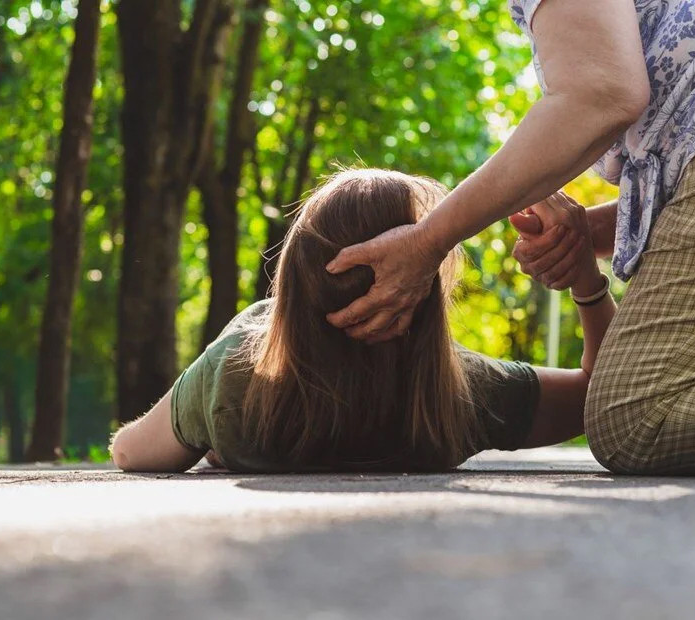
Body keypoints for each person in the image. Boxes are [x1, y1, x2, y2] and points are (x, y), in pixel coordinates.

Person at [324, 0, 695, 476]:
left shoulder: (457, 394)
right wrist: (586, 240)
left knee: (634, 417)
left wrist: (429, 240)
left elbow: (601, 92)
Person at [109, 169, 613, 472]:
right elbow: (603, 395)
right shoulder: (461, 394)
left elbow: (130, 453)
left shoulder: (235, 376)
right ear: (423, 293)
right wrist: (588, 283)